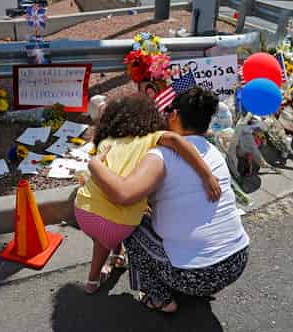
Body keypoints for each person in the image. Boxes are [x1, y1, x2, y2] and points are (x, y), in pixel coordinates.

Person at [87, 87, 250, 313]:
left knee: (130, 224)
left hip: (196, 275)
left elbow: (123, 195)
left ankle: (160, 298)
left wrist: (94, 165)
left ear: (173, 116)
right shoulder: (213, 151)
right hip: (237, 261)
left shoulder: (160, 156)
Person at [74, 94, 221, 294]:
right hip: (117, 223)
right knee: (119, 224)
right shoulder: (153, 139)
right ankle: (93, 281)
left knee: (101, 235)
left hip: (83, 209)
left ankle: (115, 257)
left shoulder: (107, 141)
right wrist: (207, 175)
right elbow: (177, 141)